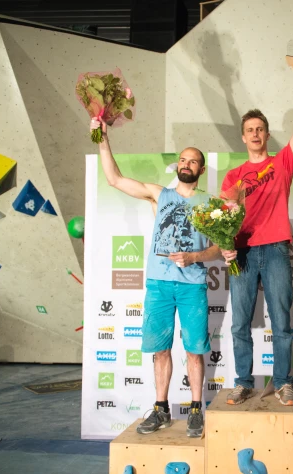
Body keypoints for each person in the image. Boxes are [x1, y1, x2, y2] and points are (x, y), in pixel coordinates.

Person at [91, 118, 221, 437]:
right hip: (158, 286)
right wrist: (101, 138)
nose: (186, 164)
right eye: (183, 159)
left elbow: (219, 248)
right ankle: (161, 409)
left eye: (193, 161)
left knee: (194, 350)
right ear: (177, 165)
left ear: (201, 170)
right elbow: (114, 179)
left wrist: (194, 257)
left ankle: (195, 410)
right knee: (159, 349)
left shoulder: (210, 204)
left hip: (192, 285)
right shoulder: (157, 194)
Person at [220, 51, 293, 406]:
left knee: (282, 322)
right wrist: (228, 244)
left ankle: (282, 383)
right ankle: (243, 381)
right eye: (250, 130)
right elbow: (224, 221)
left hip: (275, 247)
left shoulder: (282, 163)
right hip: (244, 254)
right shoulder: (233, 176)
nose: (256, 134)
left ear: (266, 134)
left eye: (260, 129)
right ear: (243, 138)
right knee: (239, 323)